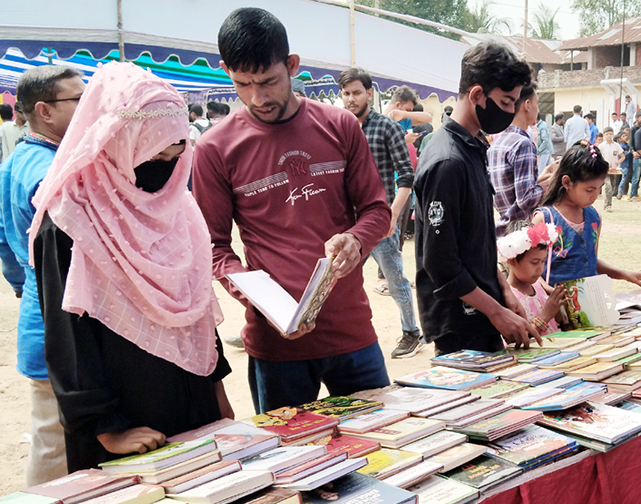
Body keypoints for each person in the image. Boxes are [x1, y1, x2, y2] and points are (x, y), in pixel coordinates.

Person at [30, 62, 233, 472]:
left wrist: (218, 393)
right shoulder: (72, 218)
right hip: (126, 418)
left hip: (193, 399)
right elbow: (67, 333)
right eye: (154, 155)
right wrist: (107, 427)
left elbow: (196, 309)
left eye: (175, 155)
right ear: (117, 141)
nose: (164, 168)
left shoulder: (180, 210)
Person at [193, 8, 391, 413]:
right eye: (243, 84)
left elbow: (376, 209)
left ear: (292, 65)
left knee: (382, 447)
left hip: (351, 331)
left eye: (269, 81)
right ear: (227, 70)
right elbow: (213, 247)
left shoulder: (340, 126)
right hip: (276, 345)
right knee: (292, 464)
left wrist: (355, 239)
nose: (258, 98)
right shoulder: (215, 148)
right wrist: (259, 300)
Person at [413, 41, 539, 355]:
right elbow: (441, 262)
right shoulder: (447, 162)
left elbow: (476, 240)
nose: (511, 112)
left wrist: (503, 290)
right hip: (459, 322)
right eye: (506, 101)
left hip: (483, 309)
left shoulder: (475, 148)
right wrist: (495, 311)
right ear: (477, 95)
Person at [0, 66, 85, 485]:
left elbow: (5, 246)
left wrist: (26, 287)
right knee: (54, 443)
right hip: (54, 323)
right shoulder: (47, 170)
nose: (88, 106)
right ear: (44, 111)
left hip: (41, 308)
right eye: (77, 99)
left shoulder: (18, 159)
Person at [337, 66, 422, 359]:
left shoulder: (386, 127)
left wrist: (391, 216)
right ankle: (342, 336)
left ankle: (412, 333)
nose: (351, 99)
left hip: (381, 220)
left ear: (369, 94)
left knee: (395, 280)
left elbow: (406, 175)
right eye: (346, 93)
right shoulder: (339, 128)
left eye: (357, 92)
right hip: (351, 224)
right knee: (340, 280)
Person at [534, 142, 641, 289]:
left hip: (588, 306)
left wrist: (624, 274)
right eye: (589, 190)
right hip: (552, 306)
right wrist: (549, 290)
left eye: (599, 189)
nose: (595, 196)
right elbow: (527, 269)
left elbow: (590, 260)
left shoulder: (594, 217)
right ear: (567, 182)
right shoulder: (544, 219)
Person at [488, 84, 557, 237]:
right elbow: (525, 199)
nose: (537, 110)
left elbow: (513, 191)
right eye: (537, 104)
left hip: (504, 232)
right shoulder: (523, 143)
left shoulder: (498, 142)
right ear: (527, 105)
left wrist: (542, 177)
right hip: (521, 234)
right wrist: (552, 182)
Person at [497, 222, 565, 336]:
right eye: (534, 262)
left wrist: (558, 306)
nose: (540, 268)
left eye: (543, 261)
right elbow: (517, 339)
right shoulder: (509, 297)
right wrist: (545, 317)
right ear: (512, 260)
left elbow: (556, 323)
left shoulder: (539, 287)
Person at [596, 126, 623, 212]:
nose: (608, 136)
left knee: (612, 186)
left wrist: (616, 163)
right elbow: (597, 157)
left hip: (613, 170)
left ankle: (607, 202)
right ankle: (608, 205)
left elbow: (622, 156)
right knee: (608, 185)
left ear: (613, 134)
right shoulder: (601, 146)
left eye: (610, 134)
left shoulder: (616, 145)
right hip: (604, 169)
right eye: (607, 134)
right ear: (604, 135)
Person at [616, 128, 632, 199]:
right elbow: (622, 155)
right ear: (619, 139)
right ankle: (620, 192)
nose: (625, 137)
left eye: (626, 135)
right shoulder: (620, 146)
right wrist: (629, 152)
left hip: (628, 163)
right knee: (624, 178)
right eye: (623, 136)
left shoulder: (628, 145)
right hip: (624, 164)